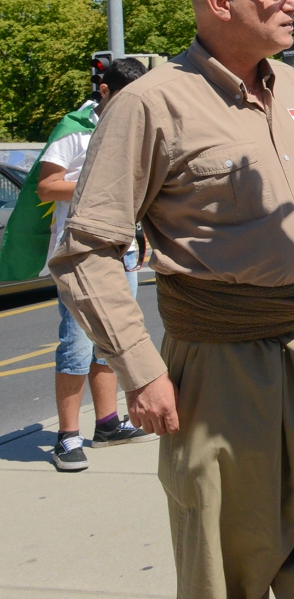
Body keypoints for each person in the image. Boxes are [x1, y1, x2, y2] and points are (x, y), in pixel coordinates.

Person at [50, 0, 294, 597]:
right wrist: (140, 369)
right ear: (219, 3)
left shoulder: (289, 84)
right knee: (232, 557)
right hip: (223, 360)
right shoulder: (150, 104)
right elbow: (87, 250)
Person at [37, 57, 153, 472]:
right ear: (104, 91)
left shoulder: (131, 127)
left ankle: (106, 424)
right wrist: (96, 183)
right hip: (80, 251)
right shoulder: (74, 129)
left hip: (121, 248)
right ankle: (66, 436)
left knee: (113, 340)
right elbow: (47, 186)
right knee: (76, 346)